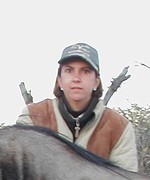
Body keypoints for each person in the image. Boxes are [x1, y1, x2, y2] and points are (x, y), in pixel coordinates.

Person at [17, 43, 138, 171]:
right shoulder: (32, 116)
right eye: (69, 70)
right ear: (59, 80)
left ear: (96, 81)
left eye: (85, 71)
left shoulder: (119, 127)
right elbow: (18, 173)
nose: (76, 78)